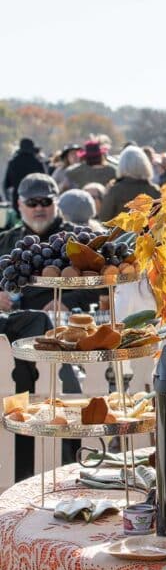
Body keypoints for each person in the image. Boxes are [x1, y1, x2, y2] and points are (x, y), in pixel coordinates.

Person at [0, 174, 93, 480]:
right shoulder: (6, 241)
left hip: (62, 344)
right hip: (12, 354)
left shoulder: (75, 240)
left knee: (62, 409)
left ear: (57, 203)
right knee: (18, 411)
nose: (39, 208)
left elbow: (101, 283)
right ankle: (21, 470)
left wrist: (69, 300)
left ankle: (70, 468)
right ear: (19, 205)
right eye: (32, 202)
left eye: (46, 202)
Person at [100, 146, 161, 222]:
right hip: (146, 233)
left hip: (120, 233)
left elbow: (104, 217)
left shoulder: (115, 190)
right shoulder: (154, 190)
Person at [3, 138, 46, 211]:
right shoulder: (38, 163)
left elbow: (6, 184)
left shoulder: (12, 163)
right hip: (35, 201)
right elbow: (45, 182)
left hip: (18, 200)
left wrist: (8, 199)